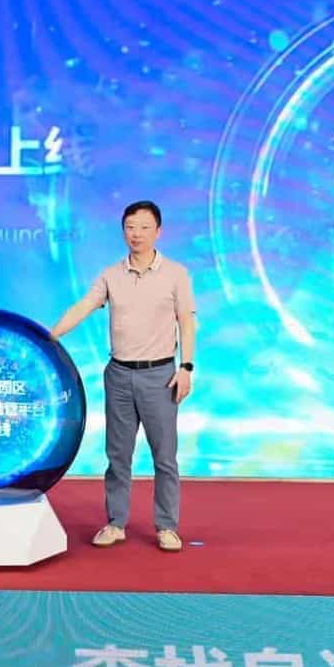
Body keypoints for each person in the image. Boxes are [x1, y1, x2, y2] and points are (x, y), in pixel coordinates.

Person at [50, 200, 196, 552]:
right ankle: (116, 523)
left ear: (158, 231)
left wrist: (186, 367)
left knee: (165, 457)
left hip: (160, 375)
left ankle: (167, 526)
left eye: (144, 227)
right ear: (123, 231)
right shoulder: (111, 275)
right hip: (118, 375)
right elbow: (84, 307)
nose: (137, 234)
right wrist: (49, 336)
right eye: (130, 227)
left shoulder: (176, 273)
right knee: (118, 456)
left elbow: (187, 321)